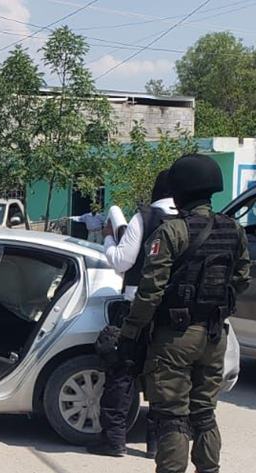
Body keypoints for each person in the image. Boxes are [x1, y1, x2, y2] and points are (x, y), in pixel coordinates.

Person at [117, 154, 251, 473]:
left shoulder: (171, 232)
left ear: (178, 191)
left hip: (174, 336)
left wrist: (130, 334)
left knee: (171, 416)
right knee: (204, 412)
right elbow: (242, 280)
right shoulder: (232, 229)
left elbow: (149, 291)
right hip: (214, 334)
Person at [88, 171, 177, 457]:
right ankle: (154, 444)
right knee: (161, 377)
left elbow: (120, 262)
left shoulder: (146, 218)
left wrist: (108, 240)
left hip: (137, 306)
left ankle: (113, 440)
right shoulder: (189, 220)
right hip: (173, 312)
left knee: (122, 373)